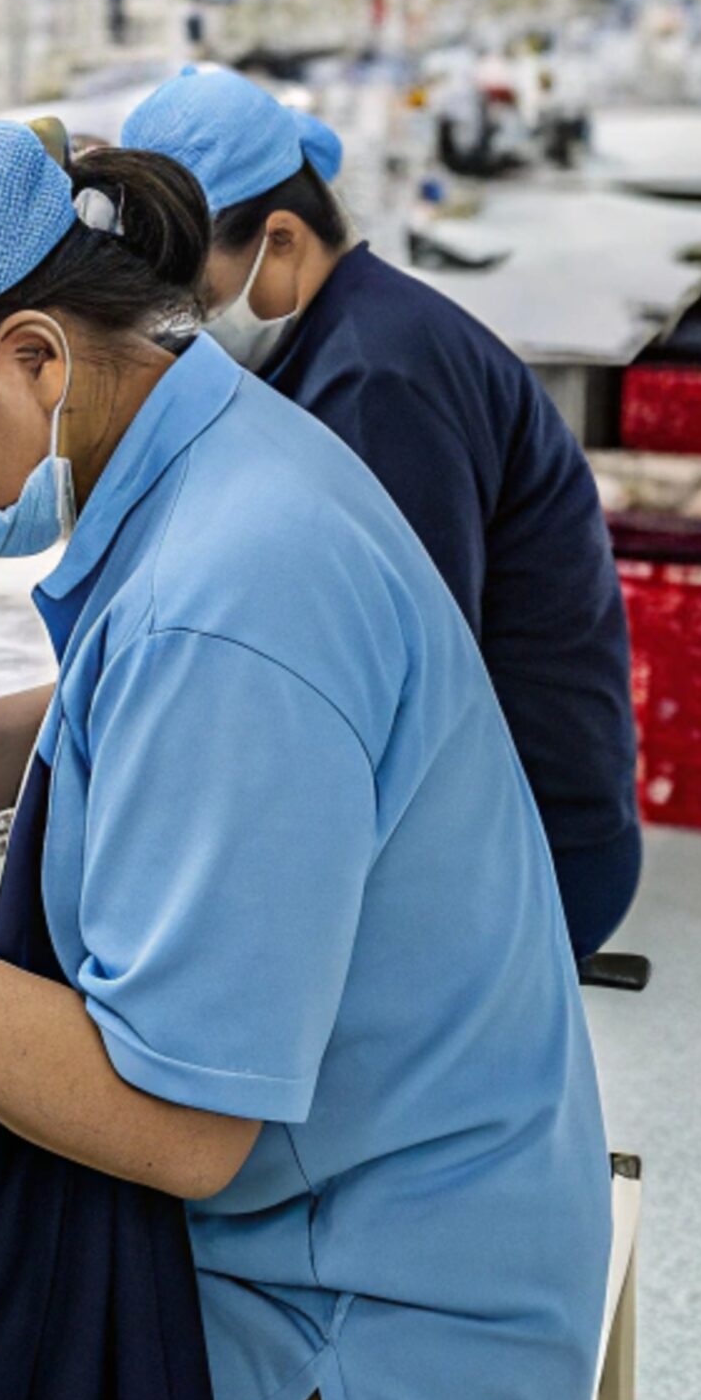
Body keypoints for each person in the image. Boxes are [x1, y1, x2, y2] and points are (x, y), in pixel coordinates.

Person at [0, 119, 609, 1400]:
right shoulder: (228, 453)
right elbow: (234, 743)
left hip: (367, 1326)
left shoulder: (230, 597)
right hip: (376, 1204)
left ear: (35, 359)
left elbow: (176, 1120)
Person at [119, 66, 639, 957]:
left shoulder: (378, 380)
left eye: (190, 294)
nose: (179, 323)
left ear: (280, 241)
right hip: (474, 810)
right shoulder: (330, 342)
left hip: (529, 850)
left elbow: (378, 684)